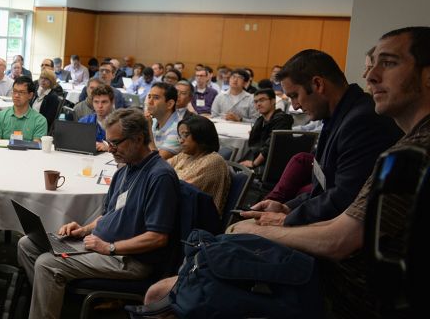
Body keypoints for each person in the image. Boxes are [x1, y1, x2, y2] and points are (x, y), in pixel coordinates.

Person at [147, 26, 430, 319]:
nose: (371, 76)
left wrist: (273, 227)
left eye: (390, 63)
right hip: (343, 274)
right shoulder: (378, 131)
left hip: (348, 291)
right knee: (205, 260)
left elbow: (342, 236)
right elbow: (342, 208)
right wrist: (283, 214)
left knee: (168, 292)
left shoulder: (402, 146)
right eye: (373, 65)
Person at [17, 109, 178, 319]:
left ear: (138, 139)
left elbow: (157, 238)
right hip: (101, 245)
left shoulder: (160, 176)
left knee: (47, 263)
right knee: (27, 244)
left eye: (116, 143)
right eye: (109, 143)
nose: (110, 149)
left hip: (129, 259)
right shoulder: (125, 170)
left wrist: (110, 247)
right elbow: (109, 215)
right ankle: (56, 303)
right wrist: (83, 229)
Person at [233, 49, 402, 228]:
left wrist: (287, 219)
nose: (296, 106)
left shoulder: (362, 121)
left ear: (317, 84)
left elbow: (345, 199)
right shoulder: (338, 117)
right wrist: (286, 208)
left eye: (295, 95)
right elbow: (324, 188)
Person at [167, 115, 232, 211]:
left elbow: (175, 189)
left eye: (185, 135)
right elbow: (161, 169)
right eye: (180, 136)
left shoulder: (213, 161)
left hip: (195, 220)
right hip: (177, 210)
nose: (180, 141)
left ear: (201, 135)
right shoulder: (185, 155)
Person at [238, 88, 293, 169]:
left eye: (262, 100)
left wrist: (254, 164)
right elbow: (253, 145)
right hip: (258, 159)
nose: (258, 104)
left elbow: (270, 146)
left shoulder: (282, 119)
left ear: (273, 101)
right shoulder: (260, 121)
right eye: (256, 101)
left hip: (272, 165)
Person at [0, 76, 48, 141]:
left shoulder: (40, 121)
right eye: (14, 91)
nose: (16, 95)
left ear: (30, 95)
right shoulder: (0, 116)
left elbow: (36, 147)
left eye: (21, 92)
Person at [145, 82, 182, 160]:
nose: (149, 102)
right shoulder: (154, 121)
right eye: (149, 97)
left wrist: (147, 130)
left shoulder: (178, 129)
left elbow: (155, 161)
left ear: (170, 104)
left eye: (156, 98)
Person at [77, 84, 115, 152]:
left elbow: (127, 149)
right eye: (96, 102)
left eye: (104, 102)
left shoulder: (120, 124)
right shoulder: (84, 122)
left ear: (112, 102)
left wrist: (109, 147)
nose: (100, 106)